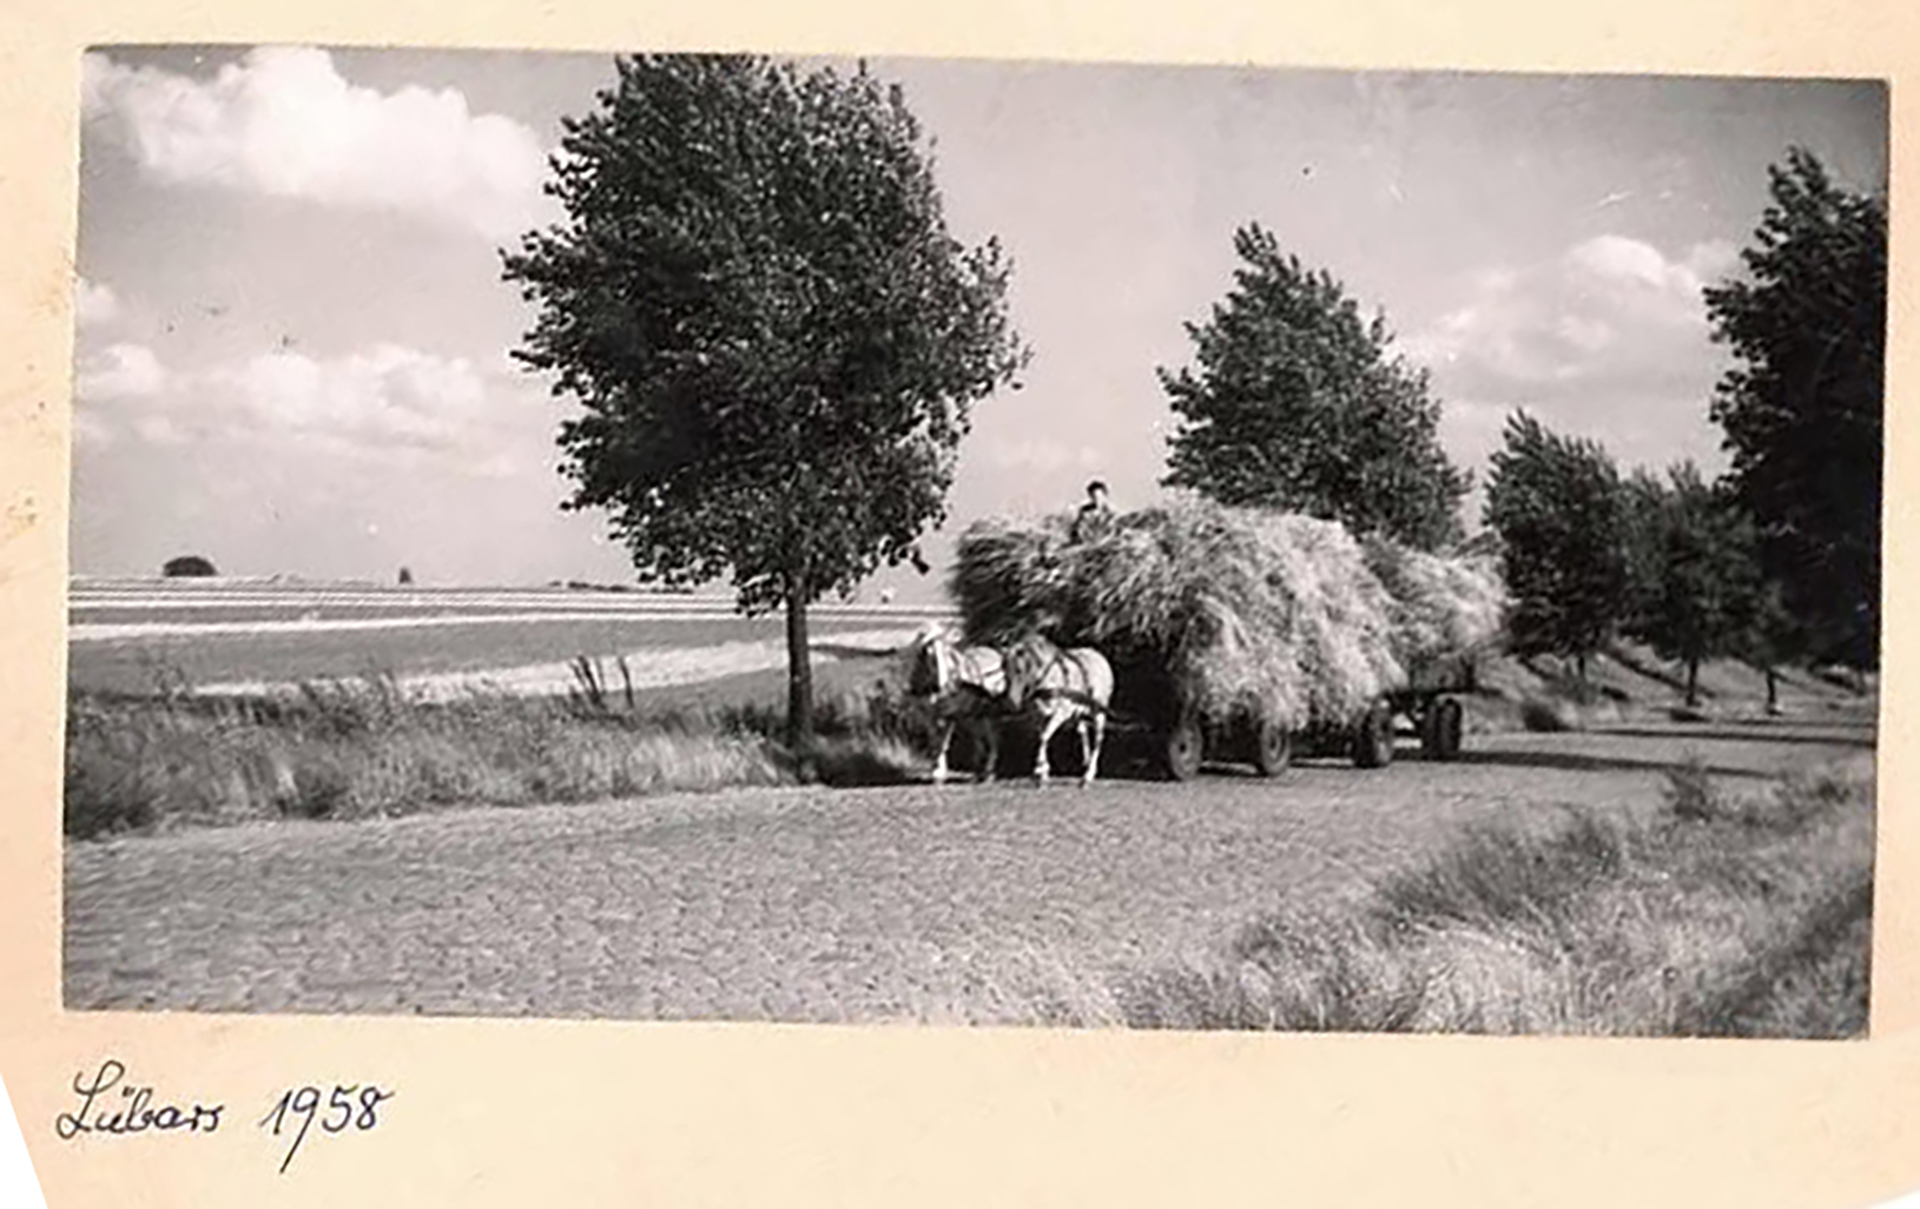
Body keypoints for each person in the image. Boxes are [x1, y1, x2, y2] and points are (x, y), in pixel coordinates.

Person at [1070, 479, 1115, 543]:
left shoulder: (1110, 510)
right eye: (1094, 497)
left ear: (1105, 496)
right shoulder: (1085, 510)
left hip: (1107, 540)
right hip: (1089, 541)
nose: (1098, 500)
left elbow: (1114, 527)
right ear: (1091, 497)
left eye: (1100, 497)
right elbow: (1076, 526)